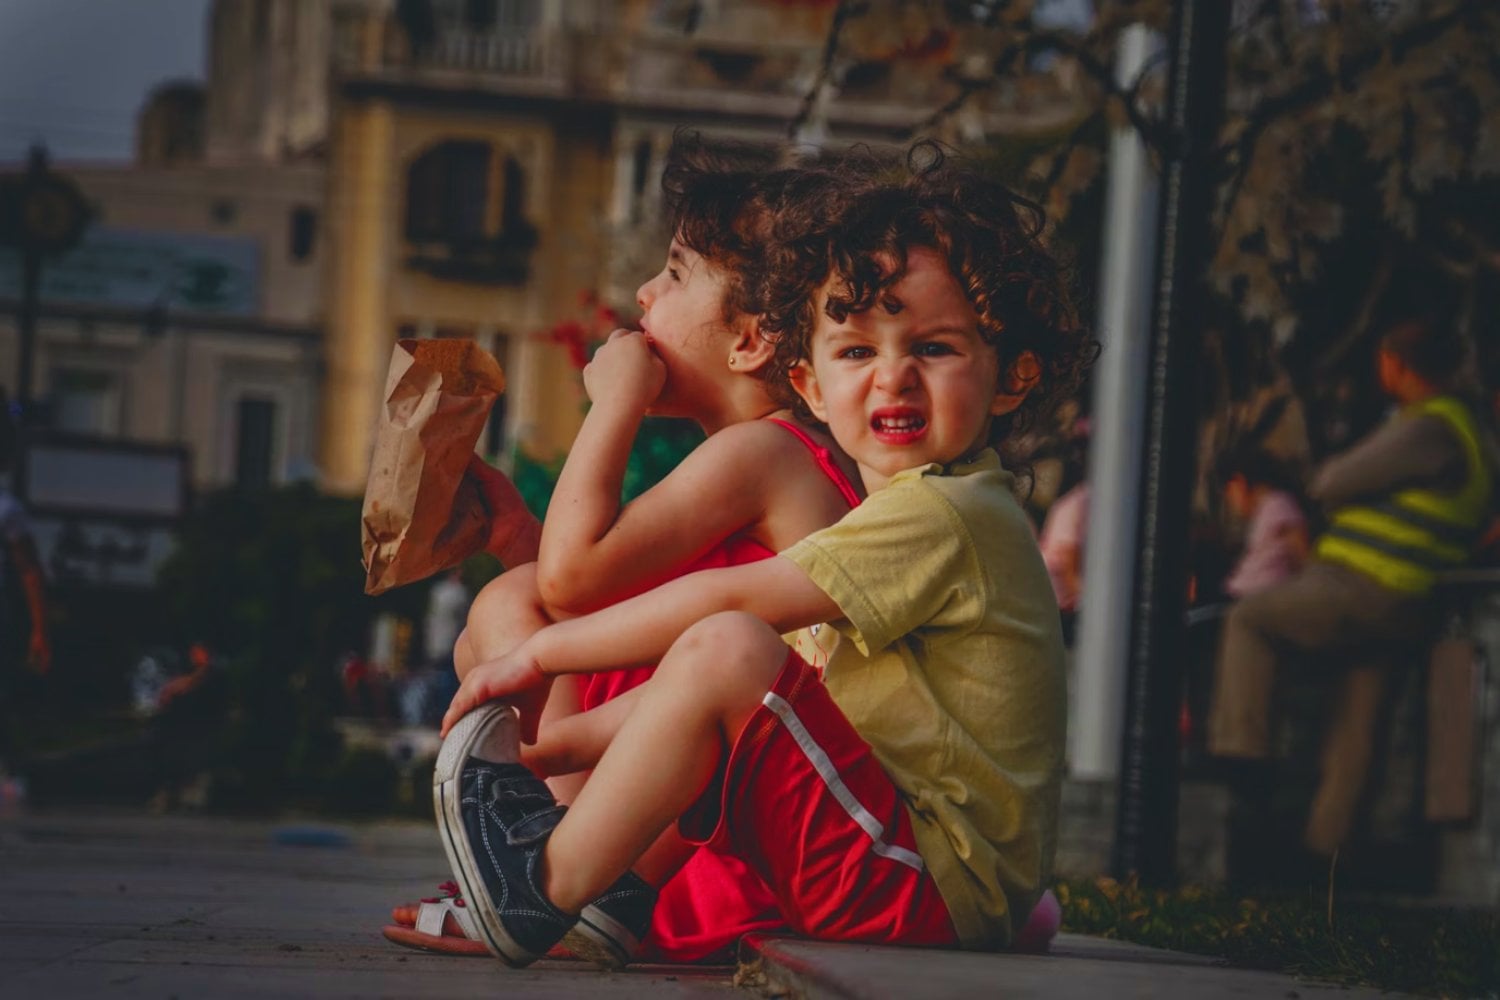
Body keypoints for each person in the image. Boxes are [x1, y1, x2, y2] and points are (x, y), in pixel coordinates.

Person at [432, 145, 1089, 967]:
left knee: (732, 642)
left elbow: (718, 620)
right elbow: (687, 696)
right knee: (735, 651)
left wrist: (538, 655)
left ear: (1015, 376)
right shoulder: (896, 516)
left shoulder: (950, 513)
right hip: (895, 865)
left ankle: (547, 888)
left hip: (923, 885)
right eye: (856, 352)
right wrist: (538, 754)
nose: (893, 379)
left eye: (935, 349)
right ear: (810, 384)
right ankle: (576, 881)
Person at [384, 137, 865, 963]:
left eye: (676, 274)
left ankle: (569, 883)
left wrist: (612, 401)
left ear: (750, 340)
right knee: (518, 592)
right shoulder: (760, 454)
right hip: (713, 808)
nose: (644, 294)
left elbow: (572, 588)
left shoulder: (767, 454)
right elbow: (608, 607)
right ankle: (571, 870)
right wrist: (513, 537)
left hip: (735, 833)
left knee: (520, 603)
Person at [1209, 316, 1497, 870]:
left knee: (1250, 620)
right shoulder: (1473, 433)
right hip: (1411, 598)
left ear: (1394, 365)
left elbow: (1331, 481)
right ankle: (1326, 852)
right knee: (1358, 723)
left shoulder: (1429, 427)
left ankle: (1242, 754)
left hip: (1365, 585)